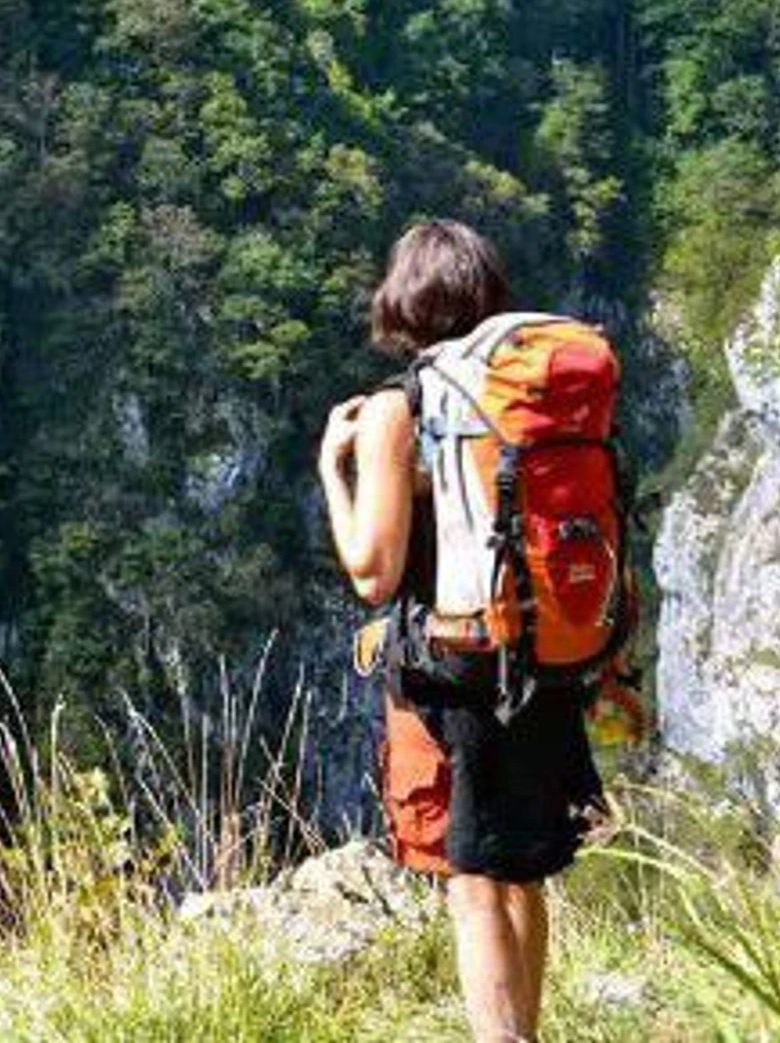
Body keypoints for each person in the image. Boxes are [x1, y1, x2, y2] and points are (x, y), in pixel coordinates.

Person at [319, 220, 601, 1043]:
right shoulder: (522, 398)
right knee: (524, 874)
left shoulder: (398, 408)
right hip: (546, 647)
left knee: (472, 879)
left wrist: (333, 471)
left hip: (460, 666)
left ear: (400, 302)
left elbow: (371, 571)